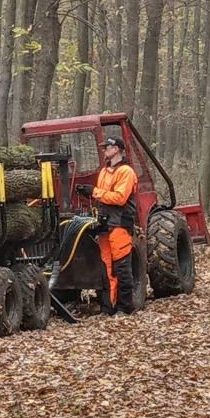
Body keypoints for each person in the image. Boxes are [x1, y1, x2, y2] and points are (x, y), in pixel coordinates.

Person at [75, 135, 138, 315]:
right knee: (105, 267)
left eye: (107, 147)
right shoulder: (104, 171)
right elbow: (101, 196)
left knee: (121, 268)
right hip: (104, 225)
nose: (104, 150)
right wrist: (88, 193)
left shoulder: (126, 172)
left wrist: (94, 192)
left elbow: (119, 198)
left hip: (119, 225)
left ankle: (125, 308)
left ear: (116, 148)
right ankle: (107, 307)